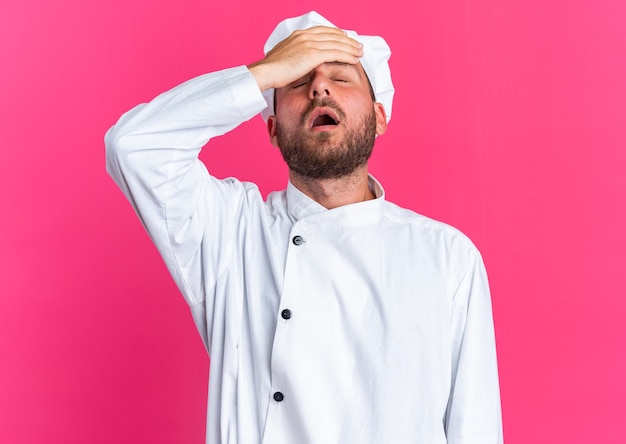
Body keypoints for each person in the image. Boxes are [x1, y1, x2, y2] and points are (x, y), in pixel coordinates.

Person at [105, 11, 503, 444]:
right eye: (297, 81)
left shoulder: (447, 256)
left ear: (379, 116)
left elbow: (475, 428)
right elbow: (134, 146)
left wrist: (286, 74)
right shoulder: (231, 232)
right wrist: (266, 71)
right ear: (273, 129)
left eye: (342, 77)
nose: (318, 87)